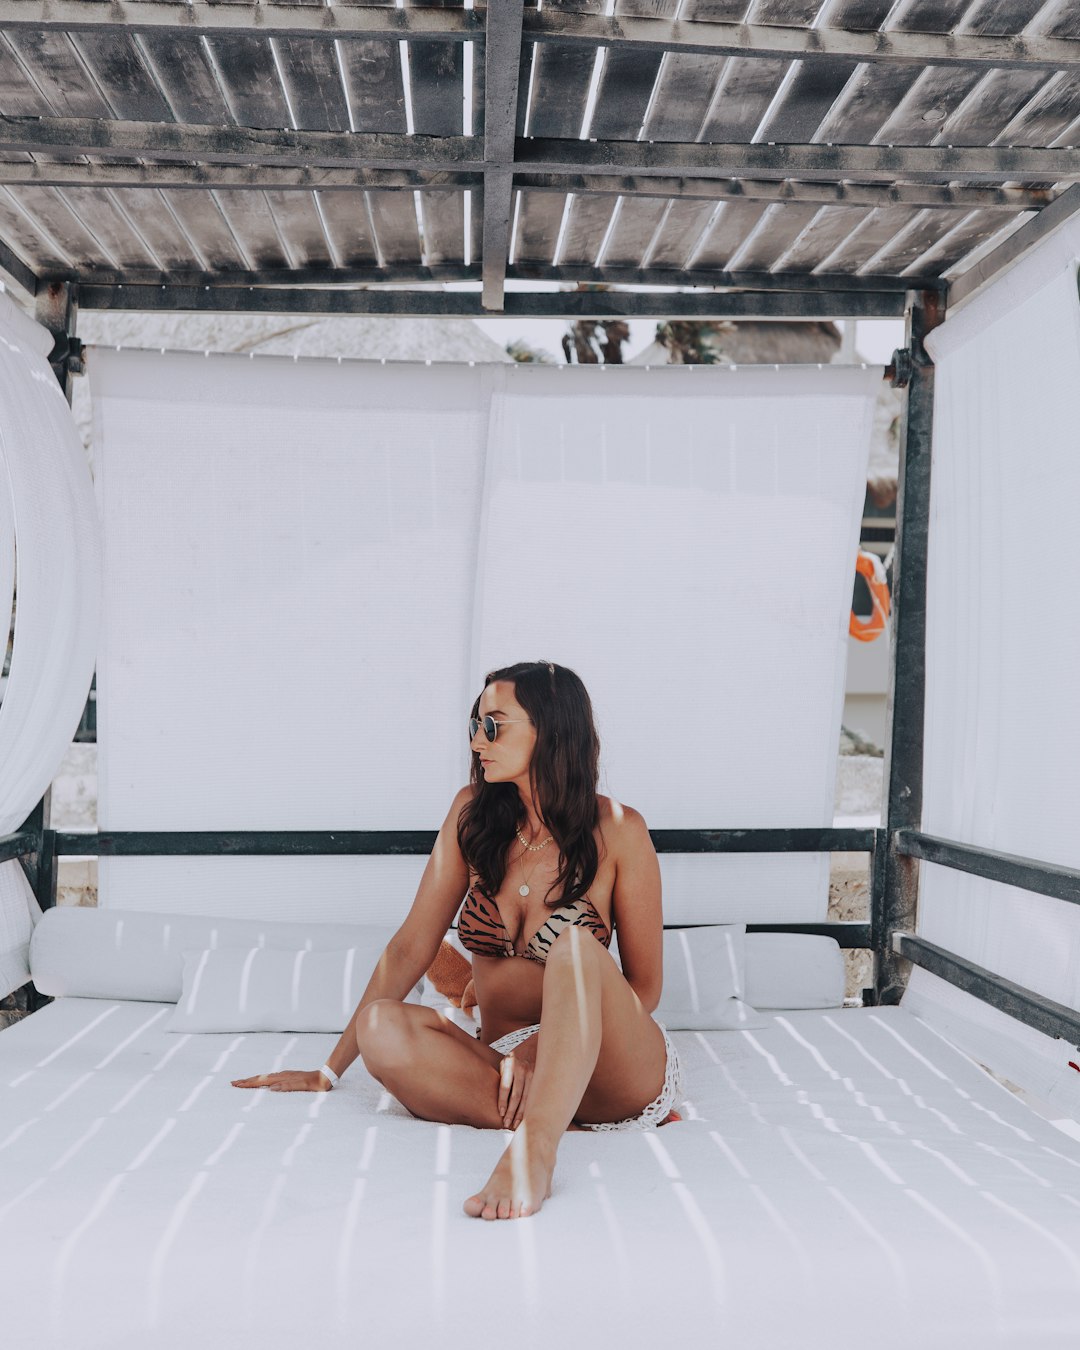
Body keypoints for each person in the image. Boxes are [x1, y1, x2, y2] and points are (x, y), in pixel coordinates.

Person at [232, 661, 681, 1220]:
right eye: (475, 724)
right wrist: (328, 1070)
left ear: (552, 730)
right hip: (499, 1065)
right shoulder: (471, 815)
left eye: (494, 725)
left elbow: (645, 986)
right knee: (382, 1026)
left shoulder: (620, 829)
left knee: (573, 947)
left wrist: (539, 1051)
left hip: (610, 1062)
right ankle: (552, 1110)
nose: (477, 740)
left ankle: (536, 1148)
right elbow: (410, 947)